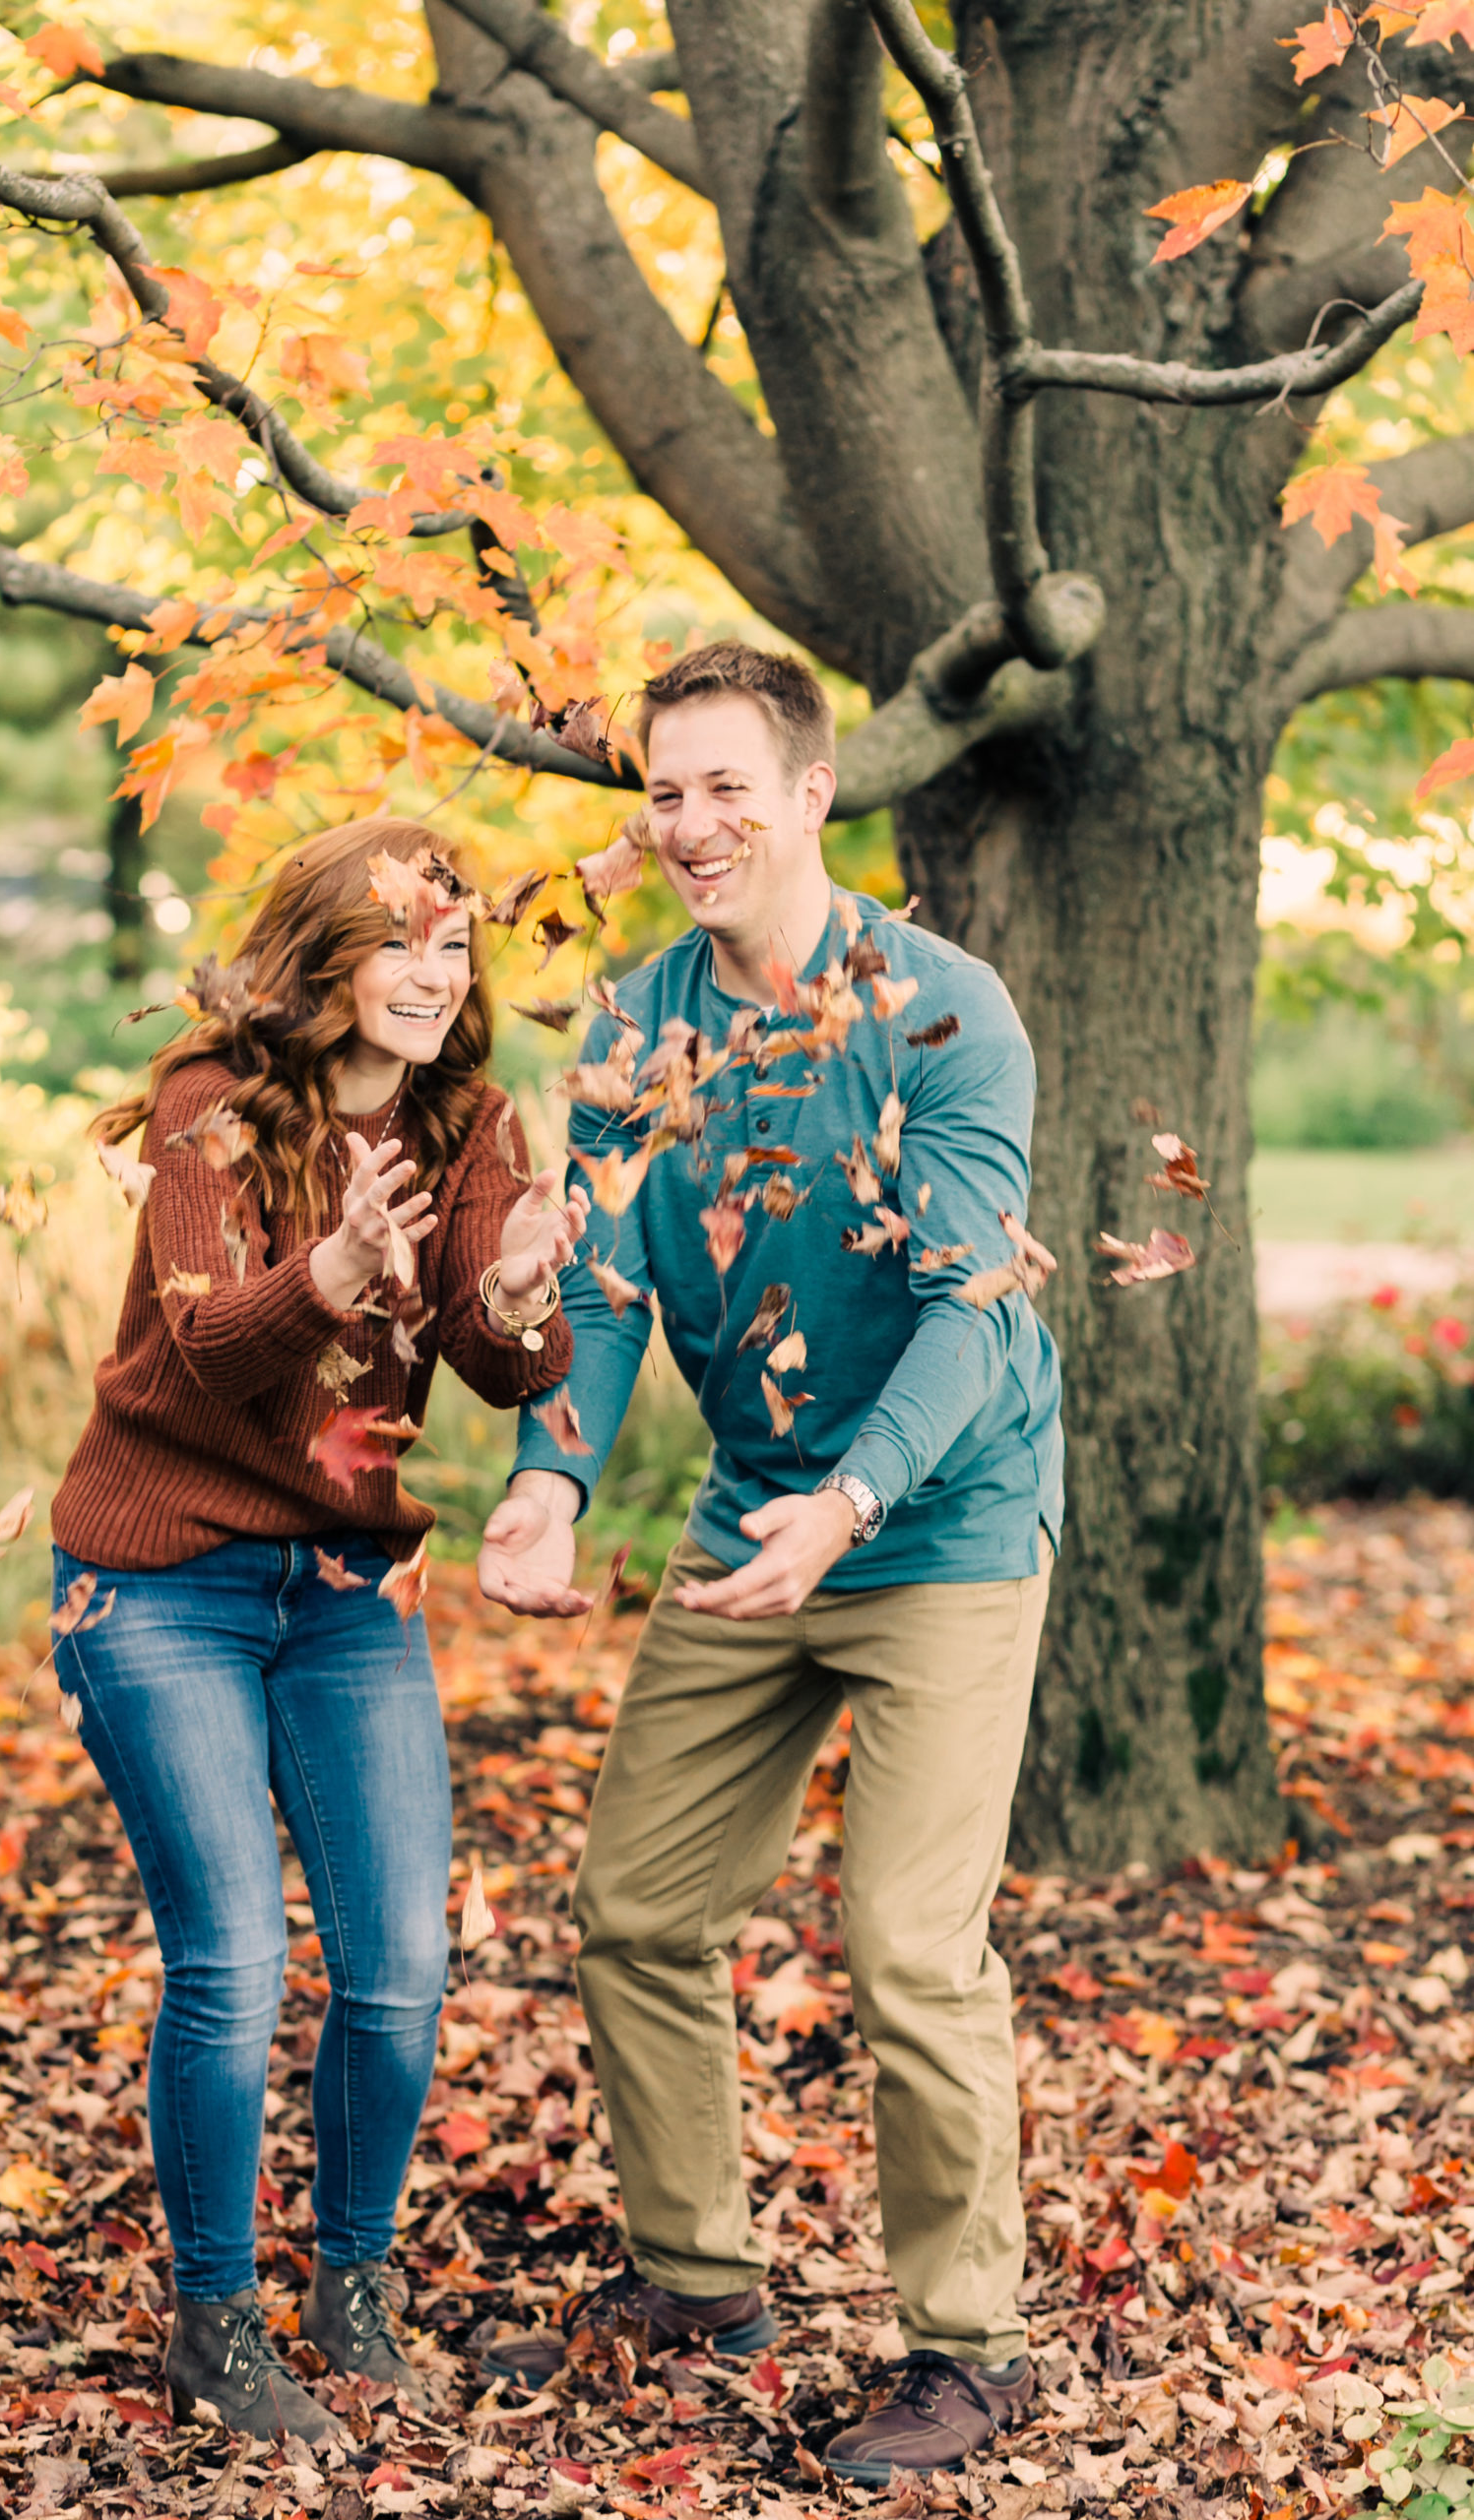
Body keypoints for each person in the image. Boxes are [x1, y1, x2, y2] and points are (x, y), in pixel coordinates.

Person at [476, 645, 1063, 2485]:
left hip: (940, 1523)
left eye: (731, 786)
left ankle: (968, 2348)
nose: (694, 825)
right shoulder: (635, 1026)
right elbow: (605, 1284)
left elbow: (975, 1306)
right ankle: (699, 2278)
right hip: (753, 1519)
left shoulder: (943, 1011)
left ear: (815, 793)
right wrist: (554, 1478)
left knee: (906, 1945)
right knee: (640, 1909)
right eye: (666, 793)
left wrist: (858, 1501)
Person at [50, 817, 586, 2443]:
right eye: (401, 943)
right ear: (328, 956)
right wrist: (344, 1265)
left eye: (456, 947)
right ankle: (215, 2318)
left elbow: (511, 1366)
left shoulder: (472, 1118)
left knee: (402, 1967)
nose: (434, 976)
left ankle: (351, 2285)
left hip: (345, 1596)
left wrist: (510, 1302)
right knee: (231, 1961)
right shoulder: (211, 1103)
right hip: (162, 1581)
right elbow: (211, 1346)